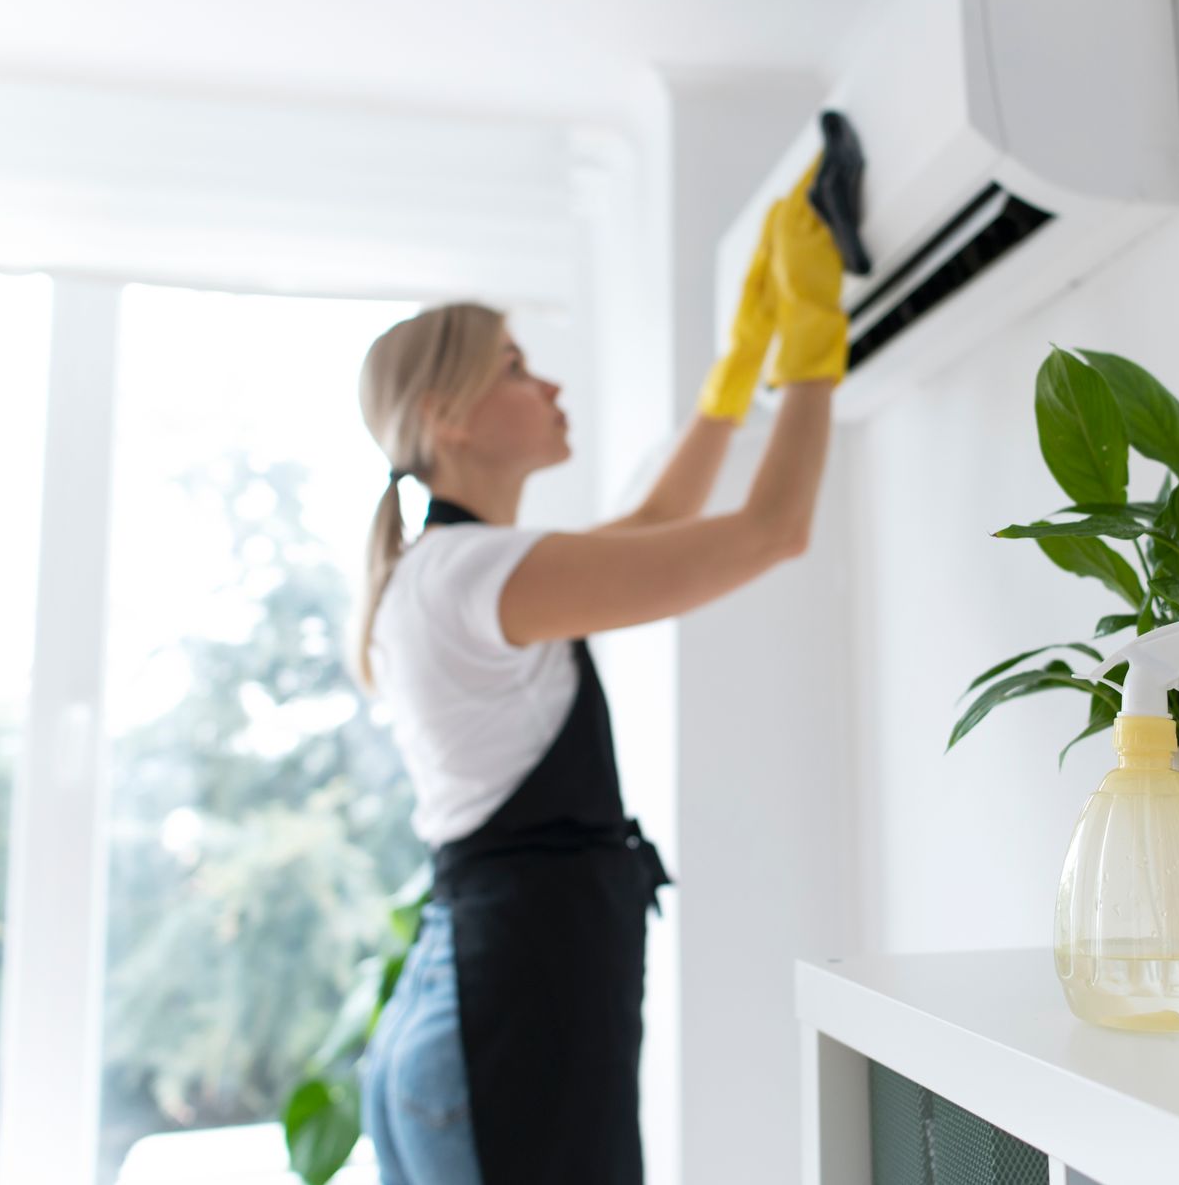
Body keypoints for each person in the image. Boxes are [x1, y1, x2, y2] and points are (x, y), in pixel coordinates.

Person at [348, 155, 846, 1185]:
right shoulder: (473, 573)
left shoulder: (444, 571)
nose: (551, 382)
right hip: (506, 1025)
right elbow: (771, 530)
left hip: (464, 1015)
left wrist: (733, 379)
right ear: (449, 415)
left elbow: (652, 530)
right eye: (519, 366)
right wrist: (812, 350)